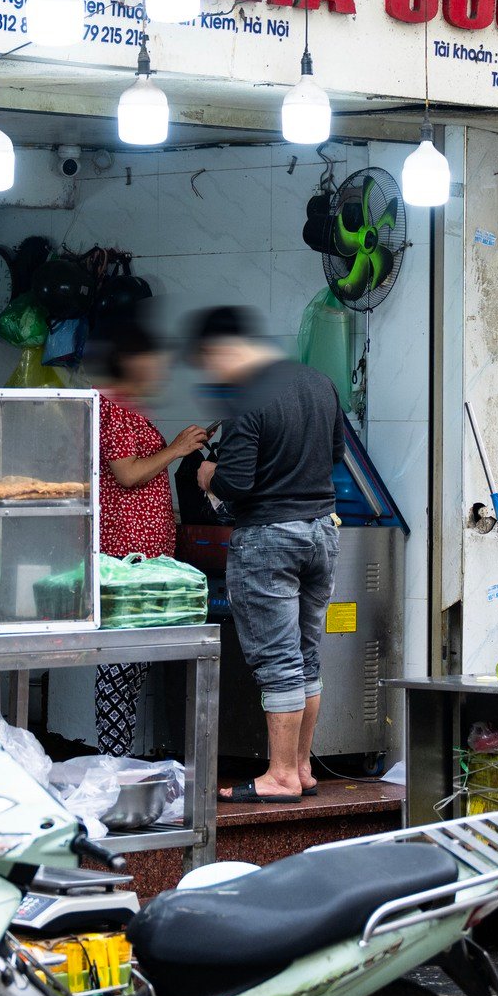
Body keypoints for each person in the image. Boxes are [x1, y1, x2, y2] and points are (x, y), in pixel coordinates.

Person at [187, 306, 342, 804]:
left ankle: (279, 776)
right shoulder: (319, 383)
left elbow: (236, 482)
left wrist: (208, 475)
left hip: (269, 539)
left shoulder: (246, 396)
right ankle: (301, 767)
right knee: (305, 655)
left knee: (278, 659)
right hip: (321, 533)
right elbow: (336, 455)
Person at [90, 322, 207, 756]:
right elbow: (127, 474)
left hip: (143, 555)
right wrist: (176, 448)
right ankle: (113, 758)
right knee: (120, 662)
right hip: (125, 556)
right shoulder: (113, 408)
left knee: (134, 661)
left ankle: (118, 757)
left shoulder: (128, 409)